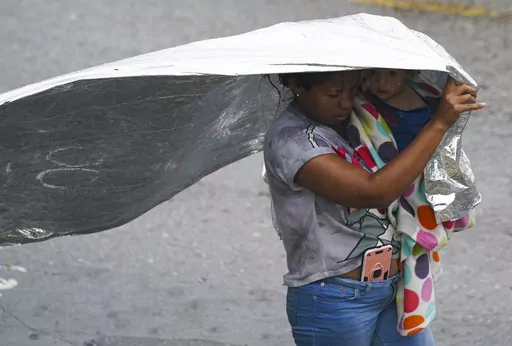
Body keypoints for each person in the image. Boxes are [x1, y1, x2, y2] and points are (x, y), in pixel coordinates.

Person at [262, 70, 484, 346]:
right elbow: (374, 192)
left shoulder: (362, 114)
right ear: (297, 86)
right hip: (334, 298)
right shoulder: (293, 141)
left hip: (393, 287)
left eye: (352, 88)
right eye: (333, 94)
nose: (345, 102)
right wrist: (439, 122)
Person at [364, 68, 441, 152]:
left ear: (408, 73)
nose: (381, 82)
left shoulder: (424, 115)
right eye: (373, 72)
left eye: (392, 73)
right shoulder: (361, 96)